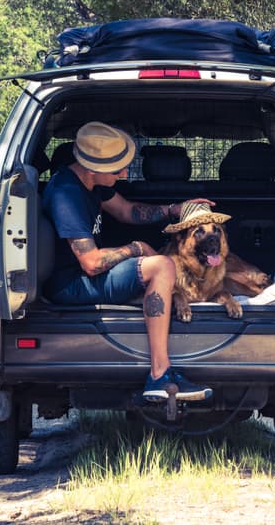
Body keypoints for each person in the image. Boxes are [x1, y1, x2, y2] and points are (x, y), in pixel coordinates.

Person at [41, 121, 212, 403]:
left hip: (86, 277)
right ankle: (160, 375)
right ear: (92, 167)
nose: (123, 173)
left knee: (157, 263)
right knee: (162, 266)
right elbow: (92, 263)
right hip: (71, 285)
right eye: (117, 169)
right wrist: (135, 248)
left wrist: (174, 210)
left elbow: (127, 211)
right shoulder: (66, 194)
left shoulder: (90, 183)